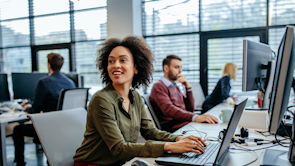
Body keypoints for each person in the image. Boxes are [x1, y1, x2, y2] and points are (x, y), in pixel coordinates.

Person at [73, 36, 207, 166]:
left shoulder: (135, 96)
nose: (115, 65)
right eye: (111, 61)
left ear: (136, 67)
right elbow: (119, 148)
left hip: (121, 161)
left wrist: (178, 138)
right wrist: (169, 146)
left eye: (123, 60)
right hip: (91, 164)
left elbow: (150, 131)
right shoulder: (101, 100)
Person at [13, 53, 76, 166]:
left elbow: (35, 110)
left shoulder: (44, 82)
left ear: (49, 65)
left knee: (18, 130)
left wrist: (26, 106)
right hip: (66, 127)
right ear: (61, 66)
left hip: (49, 128)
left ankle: (20, 163)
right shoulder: (70, 82)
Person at [150, 55, 218, 131]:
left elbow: (190, 109)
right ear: (166, 68)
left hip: (184, 123)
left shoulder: (175, 87)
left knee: (212, 125)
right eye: (176, 67)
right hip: (174, 126)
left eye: (181, 67)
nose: (180, 71)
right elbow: (169, 109)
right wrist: (195, 117)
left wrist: (188, 88)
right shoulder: (158, 86)